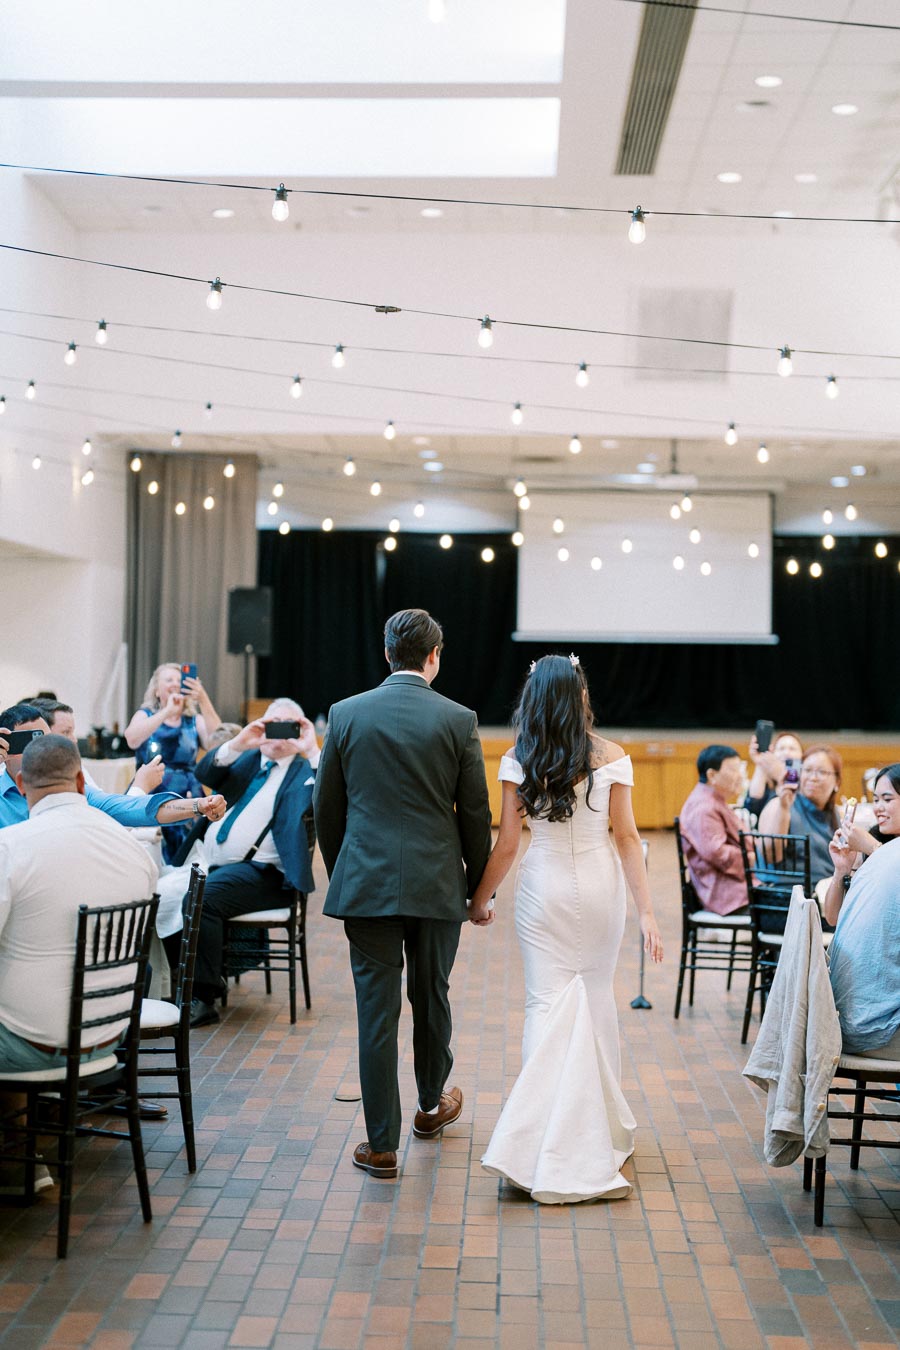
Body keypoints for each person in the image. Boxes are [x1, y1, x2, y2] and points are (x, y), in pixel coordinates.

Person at [473, 654, 663, 1204]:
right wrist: (647, 910)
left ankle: (535, 1139)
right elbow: (627, 838)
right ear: (580, 695)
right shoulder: (613, 757)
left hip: (544, 889)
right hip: (601, 889)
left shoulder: (516, 758)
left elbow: (508, 843)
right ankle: (597, 1131)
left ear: (532, 698)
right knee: (597, 998)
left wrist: (478, 899)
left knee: (543, 1005)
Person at [314, 609, 492, 1180]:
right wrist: (476, 887)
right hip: (438, 884)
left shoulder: (345, 714)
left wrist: (347, 868)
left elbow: (327, 810)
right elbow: (476, 814)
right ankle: (429, 1106)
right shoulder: (459, 719)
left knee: (376, 1013)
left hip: (365, 885)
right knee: (431, 995)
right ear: (434, 656)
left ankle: (381, 1144)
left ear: (386, 653)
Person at [0, 736, 159, 1191]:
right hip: (109, 1038)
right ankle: (20, 1152)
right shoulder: (131, 847)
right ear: (79, 780)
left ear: (19, 783)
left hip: (36, 1044)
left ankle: (17, 1153)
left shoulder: (11, 847)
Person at [172, 699, 320, 1028]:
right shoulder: (250, 758)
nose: (276, 732)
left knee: (202, 900)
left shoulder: (302, 772)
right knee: (162, 895)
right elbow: (205, 772)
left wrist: (311, 751)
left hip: (267, 876)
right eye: (271, 723)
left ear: (299, 729)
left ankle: (203, 996)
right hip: (209, 864)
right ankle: (173, 985)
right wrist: (239, 742)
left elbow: (329, 799)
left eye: (286, 725)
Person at [0, 704, 225, 834]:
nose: (41, 748)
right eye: (29, 740)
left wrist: (197, 805)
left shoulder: (70, 790)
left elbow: (131, 808)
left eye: (45, 739)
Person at [125, 665, 222, 862]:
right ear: (156, 689)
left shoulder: (193, 720)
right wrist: (166, 712)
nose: (175, 684)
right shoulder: (146, 714)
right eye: (169, 680)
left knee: (188, 857)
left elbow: (219, 742)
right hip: (152, 792)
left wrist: (203, 699)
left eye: (179, 680)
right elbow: (132, 739)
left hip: (188, 795)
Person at [824, 834, 900, 1058]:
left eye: (887, 799)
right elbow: (833, 917)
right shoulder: (879, 851)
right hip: (873, 1031)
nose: (879, 808)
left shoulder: (882, 852)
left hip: (835, 1023)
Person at [678, 745, 749, 916]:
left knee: (799, 907)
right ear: (712, 775)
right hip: (728, 897)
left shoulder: (713, 799)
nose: (740, 776)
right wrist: (751, 860)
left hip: (738, 889)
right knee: (795, 915)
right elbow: (716, 852)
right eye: (733, 770)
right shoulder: (703, 807)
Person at [758, 744, 843, 886]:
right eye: (807, 770)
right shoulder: (779, 804)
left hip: (825, 892)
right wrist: (784, 809)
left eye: (822, 772)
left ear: (837, 782)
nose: (813, 778)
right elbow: (771, 856)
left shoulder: (834, 813)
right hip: (789, 895)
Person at [744, 730, 804, 821]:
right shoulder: (766, 781)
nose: (786, 753)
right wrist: (761, 762)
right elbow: (753, 807)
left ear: (802, 755)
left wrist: (781, 775)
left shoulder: (806, 780)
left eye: (792, 749)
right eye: (781, 749)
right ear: (773, 753)